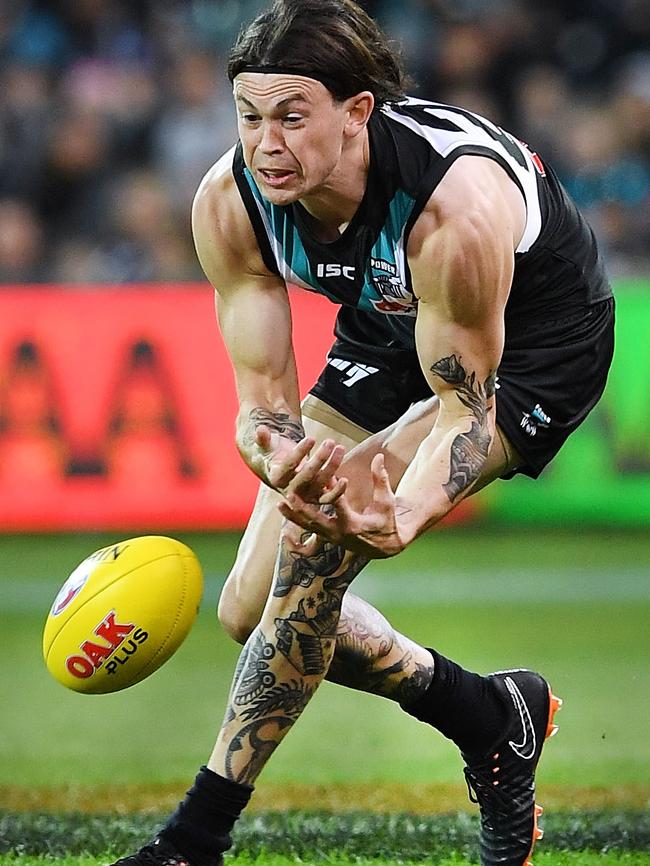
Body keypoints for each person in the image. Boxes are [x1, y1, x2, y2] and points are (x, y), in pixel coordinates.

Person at [111, 2, 613, 865]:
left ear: (357, 112)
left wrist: (402, 510)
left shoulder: (451, 206)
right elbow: (260, 407)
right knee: (246, 608)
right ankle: (490, 715)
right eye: (251, 115)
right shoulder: (231, 203)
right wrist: (283, 455)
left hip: (531, 351)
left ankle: (195, 838)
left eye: (292, 116)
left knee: (312, 558)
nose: (267, 144)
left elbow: (464, 411)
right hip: (389, 330)